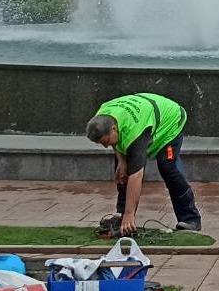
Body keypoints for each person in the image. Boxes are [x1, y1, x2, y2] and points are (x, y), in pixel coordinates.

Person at [84, 93, 201, 237]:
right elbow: (117, 143)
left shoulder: (135, 133)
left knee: (168, 168)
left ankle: (190, 219)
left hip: (170, 122)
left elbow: (137, 175)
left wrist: (130, 214)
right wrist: (121, 160)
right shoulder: (102, 116)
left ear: (114, 129)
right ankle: (121, 215)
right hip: (144, 115)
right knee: (122, 172)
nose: (106, 146)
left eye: (105, 142)